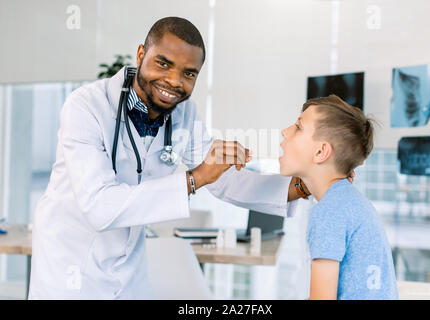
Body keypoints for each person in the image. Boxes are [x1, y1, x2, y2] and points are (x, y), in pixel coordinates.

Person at [29, 17, 309, 299]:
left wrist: (298, 188)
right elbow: (99, 205)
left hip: (129, 271)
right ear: (141, 54)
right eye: (163, 63)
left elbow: (222, 180)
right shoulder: (86, 107)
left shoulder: (183, 114)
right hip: (70, 267)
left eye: (189, 74)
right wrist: (194, 179)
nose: (174, 81)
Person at [279, 95, 398, 300]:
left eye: (298, 127)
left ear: (321, 152)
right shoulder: (348, 201)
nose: (285, 131)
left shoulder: (329, 211)